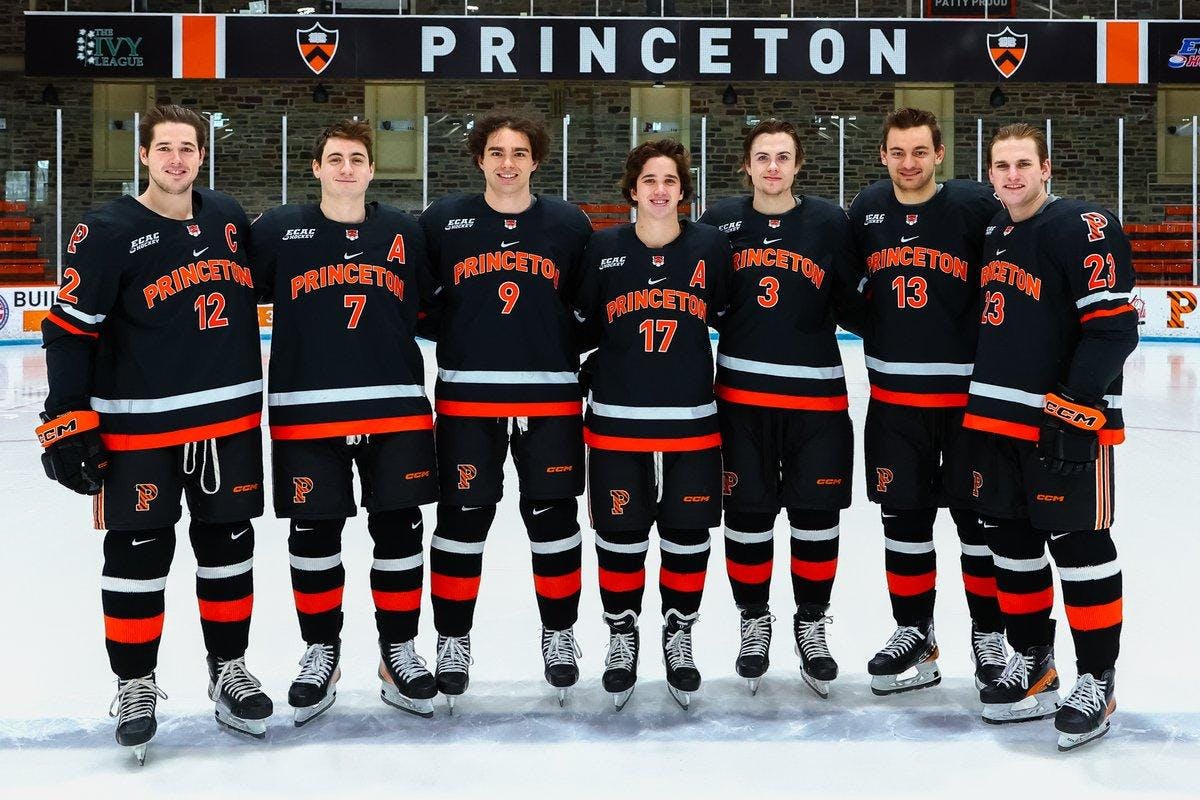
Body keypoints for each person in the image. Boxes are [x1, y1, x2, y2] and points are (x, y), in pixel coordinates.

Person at [37, 104, 270, 763]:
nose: (177, 159)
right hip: (139, 433)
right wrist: (67, 420)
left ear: (202, 155)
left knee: (228, 551)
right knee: (137, 559)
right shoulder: (106, 230)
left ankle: (229, 669)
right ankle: (135, 683)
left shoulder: (227, 218)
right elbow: (68, 331)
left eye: (188, 148)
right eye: (164, 148)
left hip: (227, 426)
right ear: (143, 156)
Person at [249, 119, 439, 723]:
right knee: (313, 538)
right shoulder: (279, 230)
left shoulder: (405, 232)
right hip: (307, 413)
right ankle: (320, 650)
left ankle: (397, 650)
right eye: (335, 158)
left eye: (357, 159)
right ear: (316, 168)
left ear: (372, 169)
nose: (346, 169)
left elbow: (437, 307)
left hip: (395, 407)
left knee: (400, 533)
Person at [966, 123, 1135, 751]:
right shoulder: (995, 232)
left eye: (1023, 164)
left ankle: (1097, 677)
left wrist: (1074, 407)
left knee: (1082, 547)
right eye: (1001, 165)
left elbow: (1115, 330)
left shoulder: (1081, 226)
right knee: (1010, 544)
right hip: (993, 422)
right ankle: (1034, 660)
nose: (1012, 175)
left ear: (1047, 168)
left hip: (1063, 424)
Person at [417, 112, 593, 709]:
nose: (508, 162)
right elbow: (422, 303)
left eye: (519, 152)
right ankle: (451, 640)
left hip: (550, 399)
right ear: (479, 159)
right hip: (469, 399)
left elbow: (589, 304)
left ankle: (560, 633)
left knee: (554, 524)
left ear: (536, 159)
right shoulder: (443, 220)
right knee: (462, 524)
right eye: (496, 151)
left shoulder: (568, 224)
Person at [698, 119, 864, 698]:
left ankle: (812, 622)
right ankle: (754, 620)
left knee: (817, 518)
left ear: (797, 165)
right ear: (746, 165)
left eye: (783, 157)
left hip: (817, 400)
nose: (773, 166)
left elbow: (853, 303)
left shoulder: (828, 223)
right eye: (762, 157)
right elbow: (703, 301)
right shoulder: (719, 222)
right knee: (747, 518)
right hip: (741, 402)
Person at [847, 108, 1007, 697]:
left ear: (939, 154)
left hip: (967, 404)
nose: (908, 163)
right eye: (897, 152)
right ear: (883, 155)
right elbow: (847, 290)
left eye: (920, 151)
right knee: (904, 525)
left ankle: (989, 637)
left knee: (976, 526)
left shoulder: (973, 207)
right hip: (893, 402)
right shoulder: (866, 210)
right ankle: (915, 631)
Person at [574, 139, 730, 710]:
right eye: (649, 180)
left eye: (670, 180)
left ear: (683, 191)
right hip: (616, 422)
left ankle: (679, 630)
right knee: (620, 534)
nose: (660, 190)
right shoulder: (604, 248)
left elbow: (731, 314)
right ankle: (621, 632)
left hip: (692, 421)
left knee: (688, 535)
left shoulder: (710, 248)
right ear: (632, 190)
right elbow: (581, 324)